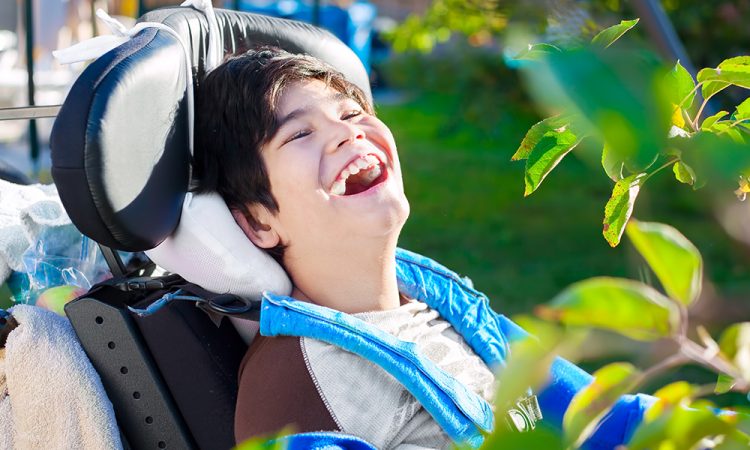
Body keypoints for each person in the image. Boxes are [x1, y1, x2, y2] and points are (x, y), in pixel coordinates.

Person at [192, 47, 653, 450]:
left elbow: (598, 415)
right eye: (299, 134)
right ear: (257, 221)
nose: (348, 132)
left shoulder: (444, 306)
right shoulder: (294, 385)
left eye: (351, 113)